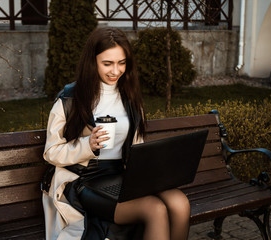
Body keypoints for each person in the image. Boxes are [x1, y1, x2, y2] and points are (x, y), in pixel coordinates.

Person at [42, 27, 190, 240]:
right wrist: (87, 145)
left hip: (124, 175)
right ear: (92, 62)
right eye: (107, 63)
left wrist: (153, 168)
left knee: (179, 203)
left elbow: (136, 145)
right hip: (85, 180)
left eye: (122, 63)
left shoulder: (129, 96)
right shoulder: (70, 99)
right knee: (154, 209)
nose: (115, 71)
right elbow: (51, 152)